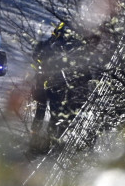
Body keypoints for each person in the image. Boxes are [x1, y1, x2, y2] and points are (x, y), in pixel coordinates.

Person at [30, 22, 92, 151]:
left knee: (42, 111)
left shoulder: (53, 44)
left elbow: (37, 55)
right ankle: (48, 141)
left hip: (49, 82)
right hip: (59, 85)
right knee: (54, 114)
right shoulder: (74, 46)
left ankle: (37, 140)